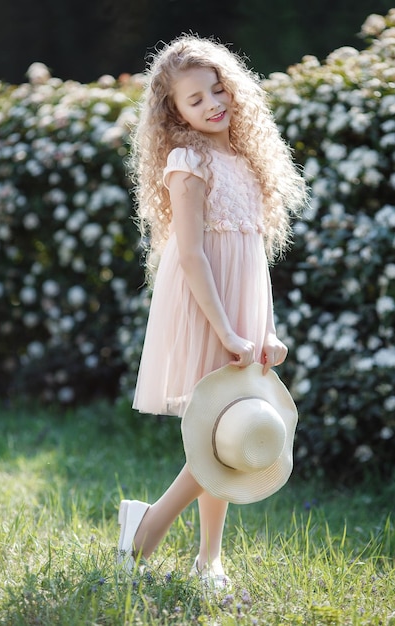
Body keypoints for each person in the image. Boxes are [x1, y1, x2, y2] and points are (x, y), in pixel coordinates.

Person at [117, 34, 307, 587]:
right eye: (193, 100)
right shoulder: (187, 159)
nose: (211, 104)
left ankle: (205, 557)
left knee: (228, 433)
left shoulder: (245, 161)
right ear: (174, 114)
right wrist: (224, 328)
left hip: (243, 304)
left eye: (217, 89)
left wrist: (264, 329)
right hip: (206, 305)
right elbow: (194, 254)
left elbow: (254, 260)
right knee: (216, 434)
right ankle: (151, 531)